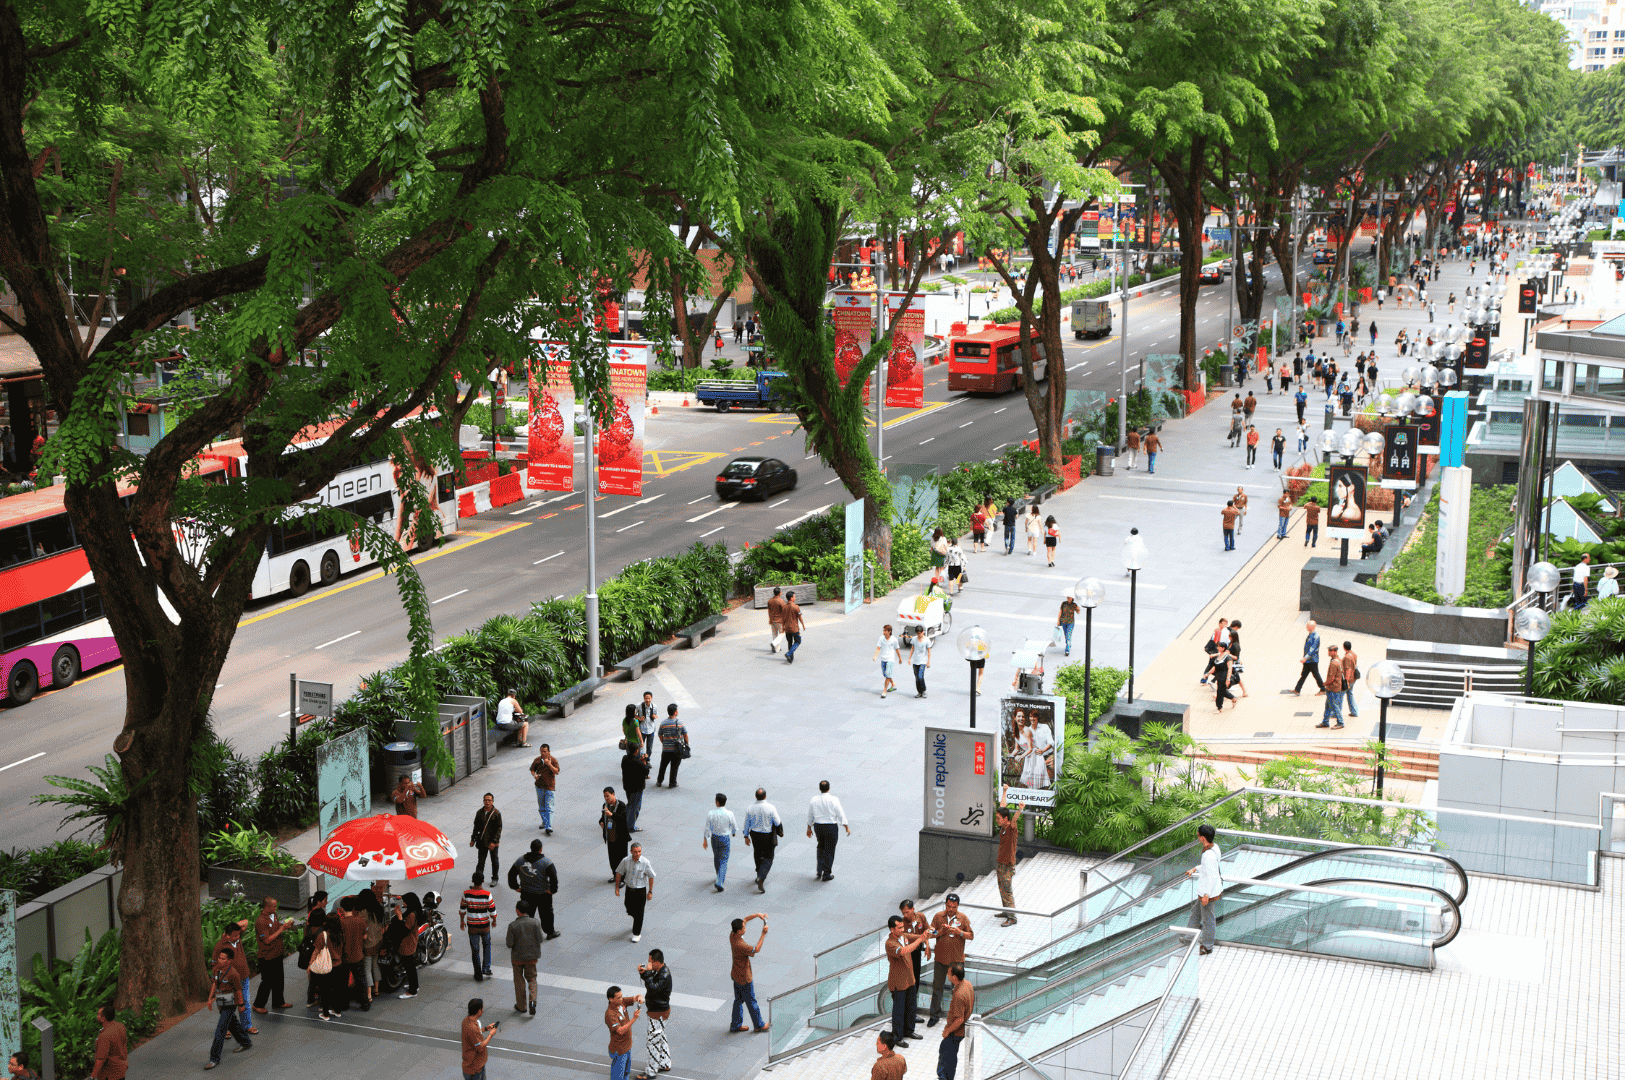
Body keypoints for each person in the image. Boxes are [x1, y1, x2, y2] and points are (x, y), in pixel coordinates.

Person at [926, 894, 974, 1028]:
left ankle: (958, 1018)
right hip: (941, 960)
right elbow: (930, 934)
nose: (951, 909)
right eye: (948, 906)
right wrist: (941, 931)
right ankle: (934, 1016)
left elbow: (971, 936)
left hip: (957, 961)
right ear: (945, 905)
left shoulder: (963, 918)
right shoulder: (938, 917)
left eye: (954, 907)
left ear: (958, 906)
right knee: (937, 988)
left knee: (958, 991)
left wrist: (960, 932)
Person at [884, 914, 928, 1047]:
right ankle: (897, 1036)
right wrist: (920, 940)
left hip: (910, 979)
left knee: (911, 1007)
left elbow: (913, 937)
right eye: (899, 928)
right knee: (899, 1011)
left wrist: (925, 935)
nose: (902, 929)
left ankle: (909, 1030)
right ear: (892, 929)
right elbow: (903, 951)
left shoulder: (903, 937)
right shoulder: (890, 944)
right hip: (898, 982)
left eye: (903, 926)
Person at [206, 945, 253, 1068]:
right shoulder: (216, 969)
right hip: (221, 1002)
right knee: (232, 1023)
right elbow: (215, 984)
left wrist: (241, 1005)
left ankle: (214, 1059)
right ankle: (245, 1042)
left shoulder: (233, 974)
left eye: (223, 959)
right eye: (219, 958)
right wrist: (210, 998)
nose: (220, 961)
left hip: (230, 1003)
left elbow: (238, 991)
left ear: (230, 961)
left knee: (220, 1030)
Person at [507, 838, 561, 938]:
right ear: (540, 849)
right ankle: (550, 932)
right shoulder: (546, 862)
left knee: (527, 915)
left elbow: (511, 874)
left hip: (527, 893)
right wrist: (553, 890)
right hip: (543, 895)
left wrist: (515, 886)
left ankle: (526, 933)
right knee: (546, 915)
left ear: (531, 848)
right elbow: (554, 877)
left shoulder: (521, 860)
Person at [211, 919, 255, 1033]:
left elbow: (245, 922)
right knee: (226, 1005)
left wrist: (233, 928)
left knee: (245, 1002)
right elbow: (215, 964)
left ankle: (247, 1026)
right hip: (227, 981)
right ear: (227, 936)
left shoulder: (238, 939)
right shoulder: (220, 945)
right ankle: (226, 1029)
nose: (238, 937)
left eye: (239, 935)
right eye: (234, 935)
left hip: (243, 978)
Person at [1184, 823, 1222, 955]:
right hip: (1207, 891)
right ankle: (1189, 938)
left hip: (1208, 893)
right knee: (1195, 913)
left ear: (1203, 838)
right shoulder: (1214, 847)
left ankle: (1207, 946)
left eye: (1198, 835)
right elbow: (1208, 867)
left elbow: (1212, 875)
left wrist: (1206, 895)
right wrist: (1195, 868)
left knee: (1208, 919)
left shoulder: (1208, 855)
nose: (1197, 837)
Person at [728, 914, 770, 1033]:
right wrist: (763, 934)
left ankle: (735, 1025)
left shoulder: (732, 935)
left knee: (738, 1000)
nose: (745, 928)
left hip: (736, 974)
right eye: (743, 928)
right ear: (739, 931)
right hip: (744, 977)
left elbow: (745, 919)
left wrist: (757, 915)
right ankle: (758, 1024)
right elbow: (756, 949)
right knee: (751, 1001)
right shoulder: (741, 945)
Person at [252, 897, 294, 1013]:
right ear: (266, 907)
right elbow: (267, 940)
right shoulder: (261, 922)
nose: (276, 908)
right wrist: (282, 928)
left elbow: (275, 928)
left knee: (279, 979)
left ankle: (278, 1002)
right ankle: (257, 1004)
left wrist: (285, 926)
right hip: (267, 957)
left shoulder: (273, 915)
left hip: (277, 953)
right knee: (267, 981)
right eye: (274, 906)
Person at [637, 949, 674, 1075]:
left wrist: (647, 974)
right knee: (661, 1036)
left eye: (650, 962)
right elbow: (652, 981)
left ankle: (651, 1072)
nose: (649, 964)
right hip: (661, 1012)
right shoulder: (660, 971)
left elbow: (652, 988)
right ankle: (665, 1063)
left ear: (657, 962)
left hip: (657, 1014)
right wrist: (645, 973)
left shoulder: (663, 976)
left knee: (652, 1042)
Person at [505, 898, 543, 1016]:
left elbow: (509, 944)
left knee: (519, 980)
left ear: (517, 910)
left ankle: (521, 1006)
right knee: (532, 979)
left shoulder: (512, 925)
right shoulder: (535, 922)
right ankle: (532, 1001)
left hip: (517, 958)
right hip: (532, 957)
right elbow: (541, 939)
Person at [805, 780, 850, 881]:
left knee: (821, 845)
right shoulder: (834, 799)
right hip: (831, 827)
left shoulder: (814, 799)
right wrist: (845, 825)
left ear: (819, 788)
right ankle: (826, 873)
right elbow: (840, 813)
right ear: (829, 788)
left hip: (818, 826)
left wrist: (809, 828)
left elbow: (810, 815)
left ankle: (819, 869)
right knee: (830, 849)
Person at [937, 963, 974, 1080]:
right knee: (949, 1053)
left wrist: (947, 1030)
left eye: (949, 973)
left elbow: (959, 1019)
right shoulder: (967, 984)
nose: (947, 974)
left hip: (956, 1031)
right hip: (961, 1029)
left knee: (947, 1056)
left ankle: (945, 1077)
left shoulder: (959, 995)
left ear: (954, 977)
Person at [615, 842, 657, 942]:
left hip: (641, 891)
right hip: (629, 889)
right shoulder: (626, 861)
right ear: (631, 851)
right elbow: (618, 872)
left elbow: (651, 876)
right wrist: (617, 887)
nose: (637, 854)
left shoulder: (645, 862)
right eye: (635, 852)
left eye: (639, 851)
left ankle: (636, 933)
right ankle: (636, 918)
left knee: (639, 912)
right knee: (628, 907)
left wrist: (650, 891)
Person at [743, 788, 783, 893]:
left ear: (756, 796)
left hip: (755, 835)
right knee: (769, 856)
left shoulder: (750, 808)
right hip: (768, 835)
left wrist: (746, 836)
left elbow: (747, 823)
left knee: (757, 853)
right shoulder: (771, 807)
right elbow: (778, 822)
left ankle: (758, 873)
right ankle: (761, 877)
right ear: (765, 796)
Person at [460, 873, 496, 983]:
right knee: (487, 946)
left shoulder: (466, 894)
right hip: (485, 926)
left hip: (472, 927)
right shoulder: (487, 894)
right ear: (483, 881)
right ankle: (486, 968)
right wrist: (494, 921)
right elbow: (492, 911)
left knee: (475, 949)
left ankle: (478, 973)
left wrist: (462, 922)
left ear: (472, 881)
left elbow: (462, 911)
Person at [704, 792, 738, 892]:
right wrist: (733, 832)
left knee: (717, 857)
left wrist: (705, 839)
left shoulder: (711, 813)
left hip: (714, 838)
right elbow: (734, 826)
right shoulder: (729, 813)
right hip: (725, 838)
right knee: (724, 859)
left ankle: (718, 874)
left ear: (717, 802)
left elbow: (707, 828)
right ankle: (719, 881)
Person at [995, 800, 1020, 926]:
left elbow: (1014, 821)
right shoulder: (1003, 828)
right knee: (1001, 888)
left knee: (1007, 890)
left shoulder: (1011, 828)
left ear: (1005, 819)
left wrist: (1019, 810)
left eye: (999, 818)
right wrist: (1004, 791)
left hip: (1007, 865)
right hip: (1000, 863)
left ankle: (1012, 917)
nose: (997, 820)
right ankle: (1006, 911)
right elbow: (1002, 806)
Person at [471, 792, 504, 883]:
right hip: (482, 841)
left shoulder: (496, 813)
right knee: (481, 862)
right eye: (485, 800)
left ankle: (495, 878)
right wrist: (473, 839)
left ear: (492, 801)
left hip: (492, 842)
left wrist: (494, 841)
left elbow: (499, 828)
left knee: (494, 861)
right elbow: (476, 826)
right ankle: (478, 880)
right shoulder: (479, 812)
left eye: (489, 800)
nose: (487, 802)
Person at [396, 893, 424, 999]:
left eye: (404, 901)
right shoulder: (415, 912)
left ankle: (412, 991)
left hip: (407, 943)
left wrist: (399, 918)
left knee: (409, 967)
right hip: (412, 941)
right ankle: (414, 986)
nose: (403, 903)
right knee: (411, 966)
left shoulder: (412, 915)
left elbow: (404, 931)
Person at [462, 998, 498, 1080]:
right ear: (478, 1011)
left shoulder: (467, 1021)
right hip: (475, 1069)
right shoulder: (472, 1028)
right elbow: (480, 1047)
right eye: (482, 1008)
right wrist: (490, 1035)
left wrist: (485, 1028)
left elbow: (473, 1035)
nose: (483, 1010)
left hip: (476, 1066)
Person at [601, 787, 632, 881]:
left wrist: (611, 815)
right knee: (612, 859)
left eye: (608, 796)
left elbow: (623, 818)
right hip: (610, 837)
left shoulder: (621, 805)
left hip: (620, 838)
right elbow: (602, 817)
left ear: (613, 794)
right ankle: (615, 875)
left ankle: (622, 878)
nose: (606, 798)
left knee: (621, 859)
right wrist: (601, 822)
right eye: (605, 796)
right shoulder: (605, 805)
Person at [91, 1003, 127, 1080]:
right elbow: (123, 1045)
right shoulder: (120, 1026)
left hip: (109, 1074)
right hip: (121, 1071)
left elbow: (101, 1059)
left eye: (98, 1015)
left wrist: (92, 1076)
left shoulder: (105, 1035)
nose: (97, 1017)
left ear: (103, 1018)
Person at [529, 744, 560, 835]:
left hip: (550, 787)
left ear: (549, 752)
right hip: (539, 786)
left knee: (549, 807)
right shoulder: (537, 760)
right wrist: (535, 775)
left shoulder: (553, 760)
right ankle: (545, 821)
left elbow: (557, 771)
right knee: (541, 807)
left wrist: (549, 765)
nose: (543, 753)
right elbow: (532, 769)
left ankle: (548, 826)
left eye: (545, 751)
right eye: (541, 751)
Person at [657, 704, 688, 787]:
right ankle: (672, 782)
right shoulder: (680, 723)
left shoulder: (663, 723)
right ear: (675, 712)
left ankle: (659, 781)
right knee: (674, 767)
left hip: (666, 749)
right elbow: (685, 735)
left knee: (663, 766)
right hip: (676, 750)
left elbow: (660, 734)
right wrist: (686, 743)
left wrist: (664, 742)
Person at [621, 747, 651, 832]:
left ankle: (623, 819)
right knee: (635, 807)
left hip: (627, 786)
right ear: (636, 751)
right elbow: (646, 771)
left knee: (630, 804)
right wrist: (644, 761)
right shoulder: (638, 763)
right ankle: (630, 826)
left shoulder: (625, 758)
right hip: (636, 788)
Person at [1293, 620, 1325, 694]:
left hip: (1312, 660)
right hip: (1308, 660)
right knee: (1304, 675)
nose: (1306, 626)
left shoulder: (1315, 636)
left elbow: (1312, 649)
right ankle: (1297, 689)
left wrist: (1305, 658)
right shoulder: (1310, 634)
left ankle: (1323, 689)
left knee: (1316, 675)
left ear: (1311, 627)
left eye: (1307, 625)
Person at [1318, 645, 1345, 728]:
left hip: (1333, 688)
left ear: (1335, 652)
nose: (1329, 652)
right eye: (1329, 650)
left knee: (1334, 706)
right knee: (1328, 706)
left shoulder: (1333, 663)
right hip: (1336, 686)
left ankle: (1340, 723)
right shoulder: (1339, 660)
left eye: (1331, 651)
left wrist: (1324, 684)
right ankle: (1325, 722)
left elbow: (1331, 678)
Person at [873, 623, 902, 698]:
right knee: (885, 675)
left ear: (889, 631)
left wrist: (900, 658)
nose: (884, 632)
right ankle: (893, 683)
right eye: (883, 630)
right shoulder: (881, 638)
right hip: (883, 659)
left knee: (888, 675)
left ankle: (884, 690)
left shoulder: (894, 640)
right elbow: (878, 648)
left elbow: (897, 649)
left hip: (890, 659)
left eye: (885, 631)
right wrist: (875, 656)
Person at [902, 628, 931, 698]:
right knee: (917, 677)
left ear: (923, 632)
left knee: (920, 676)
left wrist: (928, 661)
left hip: (922, 662)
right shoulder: (914, 639)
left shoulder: (927, 640)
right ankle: (919, 692)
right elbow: (912, 649)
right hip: (915, 661)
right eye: (917, 634)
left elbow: (929, 651)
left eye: (920, 633)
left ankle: (923, 690)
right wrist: (909, 658)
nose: (919, 635)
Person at [1211, 642, 1234, 712]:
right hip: (1219, 677)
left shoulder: (1227, 657)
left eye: (1219, 647)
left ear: (1223, 648)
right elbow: (1215, 666)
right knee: (1222, 691)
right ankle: (1233, 698)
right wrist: (1208, 673)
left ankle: (1219, 708)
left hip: (1224, 677)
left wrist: (1228, 678)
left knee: (1220, 693)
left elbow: (1230, 669)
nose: (1218, 648)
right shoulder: (1219, 656)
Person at [782, 589, 804, 663]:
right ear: (791, 598)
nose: (795, 598)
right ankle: (789, 653)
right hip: (794, 628)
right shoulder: (796, 607)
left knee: (789, 642)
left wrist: (783, 627)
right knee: (798, 641)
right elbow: (800, 617)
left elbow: (783, 618)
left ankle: (790, 658)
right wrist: (803, 625)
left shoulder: (784, 607)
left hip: (787, 628)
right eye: (794, 597)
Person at [1056, 589, 1079, 656]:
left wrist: (1078, 609)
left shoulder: (1074, 605)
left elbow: (1078, 612)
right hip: (1063, 622)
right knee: (1066, 635)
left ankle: (1067, 650)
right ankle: (1069, 644)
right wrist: (1058, 620)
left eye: (1070, 597)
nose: (1068, 598)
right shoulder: (1063, 603)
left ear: (1072, 598)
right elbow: (1060, 612)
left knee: (1068, 635)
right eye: (1068, 597)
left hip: (1070, 622)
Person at [636, 690, 659, 757]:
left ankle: (647, 759)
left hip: (651, 729)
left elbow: (656, 714)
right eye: (646, 698)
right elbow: (634, 714)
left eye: (649, 698)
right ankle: (640, 759)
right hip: (642, 729)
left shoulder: (654, 706)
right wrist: (639, 718)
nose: (647, 700)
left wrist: (655, 716)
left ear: (651, 698)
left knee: (649, 747)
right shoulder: (639, 706)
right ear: (644, 698)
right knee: (640, 745)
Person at [1341, 641, 1360, 718]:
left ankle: (1336, 713)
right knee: (1349, 694)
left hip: (1349, 679)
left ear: (1344, 647)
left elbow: (1348, 670)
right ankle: (1354, 711)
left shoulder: (1347, 657)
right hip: (1354, 678)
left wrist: (1346, 681)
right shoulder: (1354, 654)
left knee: (1340, 695)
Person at [767, 586, 786, 653]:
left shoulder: (770, 601)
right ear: (780, 593)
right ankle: (774, 643)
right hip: (780, 620)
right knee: (782, 633)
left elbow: (769, 611)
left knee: (774, 634)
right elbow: (784, 611)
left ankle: (776, 648)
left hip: (772, 620)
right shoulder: (781, 601)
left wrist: (770, 619)